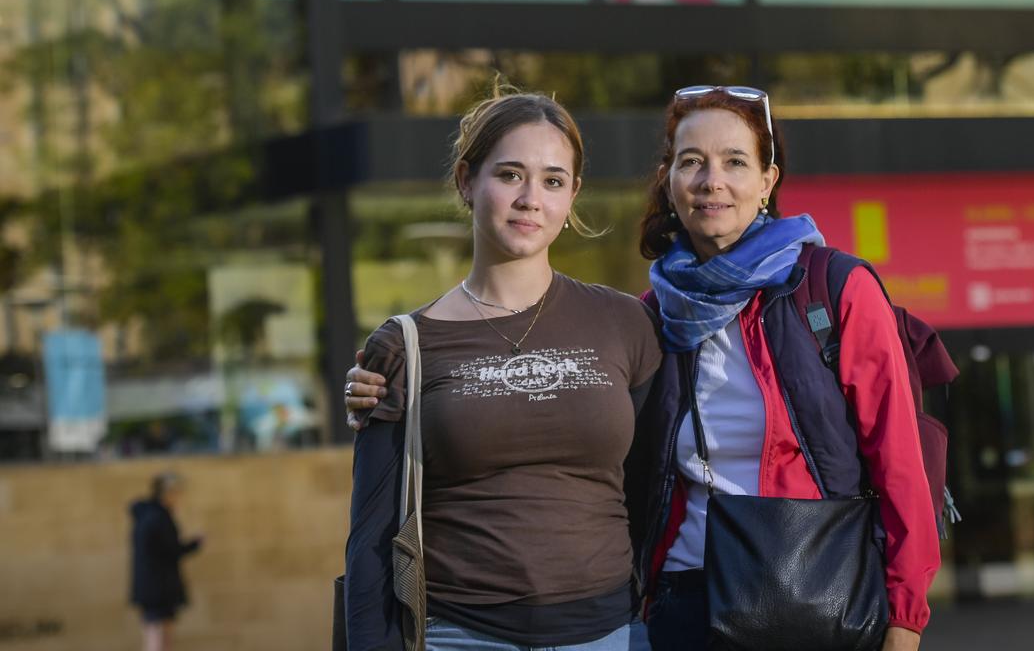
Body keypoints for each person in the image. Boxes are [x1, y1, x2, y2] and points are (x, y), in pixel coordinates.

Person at [347, 85, 941, 651]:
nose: (713, 182)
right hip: (676, 604)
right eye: (692, 162)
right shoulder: (653, 316)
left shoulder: (831, 291)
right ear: (670, 180)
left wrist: (905, 617)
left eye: (736, 162)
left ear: (768, 181)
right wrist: (379, 388)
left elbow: (900, 461)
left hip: (805, 587)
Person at [343, 86, 662, 651]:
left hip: (612, 634)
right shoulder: (406, 346)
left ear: (572, 196)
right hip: (460, 636)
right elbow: (370, 540)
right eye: (510, 174)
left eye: (553, 180)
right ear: (467, 181)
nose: (531, 198)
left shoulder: (625, 323)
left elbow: (653, 490)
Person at [129, 472, 202, 651]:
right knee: (157, 635)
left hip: (156, 587)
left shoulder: (151, 515)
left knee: (163, 633)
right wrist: (194, 544)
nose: (178, 498)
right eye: (175, 493)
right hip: (157, 587)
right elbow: (169, 550)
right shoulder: (157, 517)